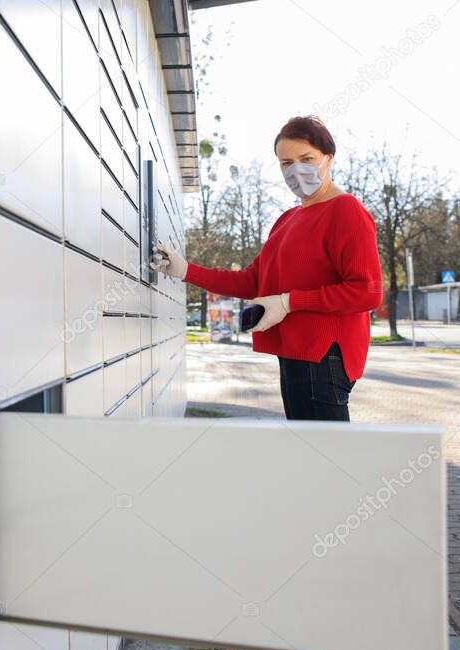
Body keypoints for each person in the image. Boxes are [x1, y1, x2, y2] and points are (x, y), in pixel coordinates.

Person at [151, 115, 383, 421]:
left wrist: (289, 302)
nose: (296, 169)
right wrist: (185, 270)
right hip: (295, 354)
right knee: (307, 455)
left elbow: (367, 292)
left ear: (328, 158)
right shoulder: (287, 221)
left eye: (306, 158)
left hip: (325, 356)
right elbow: (252, 281)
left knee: (326, 460)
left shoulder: (346, 211)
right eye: (286, 162)